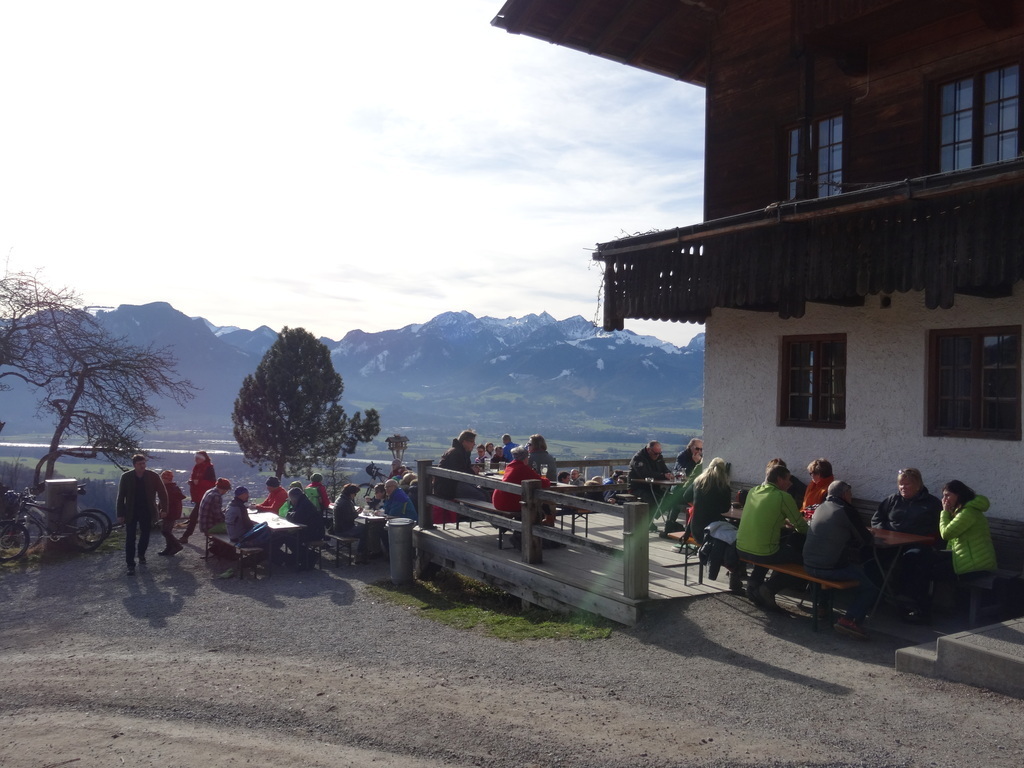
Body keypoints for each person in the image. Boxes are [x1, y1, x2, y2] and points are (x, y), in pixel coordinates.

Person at [803, 480, 878, 640]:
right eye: (850, 494)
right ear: (844, 494)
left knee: (833, 560)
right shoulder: (845, 510)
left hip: (808, 565)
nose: (851, 497)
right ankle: (849, 619)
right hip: (828, 568)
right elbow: (866, 539)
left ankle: (823, 606)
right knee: (870, 586)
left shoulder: (819, 507)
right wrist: (870, 534)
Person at [872, 467, 942, 622]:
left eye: (907, 484)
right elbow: (877, 519)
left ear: (918, 485)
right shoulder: (892, 500)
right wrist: (884, 533)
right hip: (891, 544)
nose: (903, 487)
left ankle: (908, 601)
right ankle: (875, 594)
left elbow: (939, 529)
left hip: (917, 545)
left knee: (914, 558)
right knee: (868, 555)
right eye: (901, 484)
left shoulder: (932, 504)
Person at [735, 464, 808, 611]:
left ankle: (753, 584)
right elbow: (801, 526)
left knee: (767, 548)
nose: (790, 483)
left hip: (741, 548)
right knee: (805, 563)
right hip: (764, 552)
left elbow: (765, 516)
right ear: (780, 479)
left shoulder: (754, 491)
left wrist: (782, 521)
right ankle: (769, 588)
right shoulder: (783, 496)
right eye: (788, 479)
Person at [116, 454, 169, 576]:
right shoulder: (126, 477)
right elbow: (121, 497)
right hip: (131, 511)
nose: (143, 466)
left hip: (147, 510)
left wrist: (164, 509)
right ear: (134, 465)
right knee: (130, 538)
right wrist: (120, 514)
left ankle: (141, 554)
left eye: (144, 463)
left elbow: (162, 493)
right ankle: (130, 564)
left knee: (145, 535)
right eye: (140, 464)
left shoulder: (153, 476)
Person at [677, 457, 732, 545]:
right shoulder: (723, 487)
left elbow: (686, 496)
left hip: (695, 528)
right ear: (723, 472)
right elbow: (725, 509)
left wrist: (698, 504)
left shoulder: (698, 481)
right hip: (711, 531)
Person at [492, 445, 551, 519]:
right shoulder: (523, 468)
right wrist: (545, 478)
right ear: (525, 458)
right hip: (508, 504)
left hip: (499, 501)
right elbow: (545, 484)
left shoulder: (510, 466)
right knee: (537, 507)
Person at [628, 440, 675, 532]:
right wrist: (662, 475)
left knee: (671, 498)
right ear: (649, 450)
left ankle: (658, 521)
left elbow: (664, 469)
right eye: (655, 453)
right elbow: (644, 474)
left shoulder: (658, 457)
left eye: (659, 453)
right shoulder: (638, 458)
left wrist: (668, 473)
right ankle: (647, 522)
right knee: (652, 499)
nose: (657, 455)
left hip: (653, 486)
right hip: (638, 487)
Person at [434, 430, 488, 502]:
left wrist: (472, 470)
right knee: (480, 496)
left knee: (486, 493)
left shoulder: (463, 452)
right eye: (472, 442)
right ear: (465, 442)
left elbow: (463, 469)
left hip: (455, 484)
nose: (474, 444)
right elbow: (457, 473)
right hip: (449, 487)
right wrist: (472, 471)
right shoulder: (455, 453)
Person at [283, 486, 325, 569]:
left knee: (289, 538)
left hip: (314, 533)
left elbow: (295, 517)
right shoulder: (303, 501)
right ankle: (300, 558)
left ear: (293, 498)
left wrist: (288, 514)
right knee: (289, 537)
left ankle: (308, 557)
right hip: (313, 530)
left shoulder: (303, 505)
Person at [179, 450, 216, 544]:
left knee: (194, 516)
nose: (195, 459)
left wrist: (198, 482)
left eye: (198, 458)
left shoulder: (208, 468)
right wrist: (192, 482)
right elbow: (195, 479)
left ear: (203, 459)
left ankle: (186, 536)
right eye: (195, 458)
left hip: (205, 496)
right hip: (198, 495)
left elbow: (212, 483)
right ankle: (214, 539)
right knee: (205, 517)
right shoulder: (197, 467)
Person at [157, 470, 185, 558]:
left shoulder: (167, 489)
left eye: (162, 478)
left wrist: (162, 510)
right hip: (173, 512)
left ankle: (177, 546)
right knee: (167, 530)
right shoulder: (173, 487)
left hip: (170, 513)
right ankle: (168, 548)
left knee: (165, 531)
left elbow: (166, 502)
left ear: (166, 479)